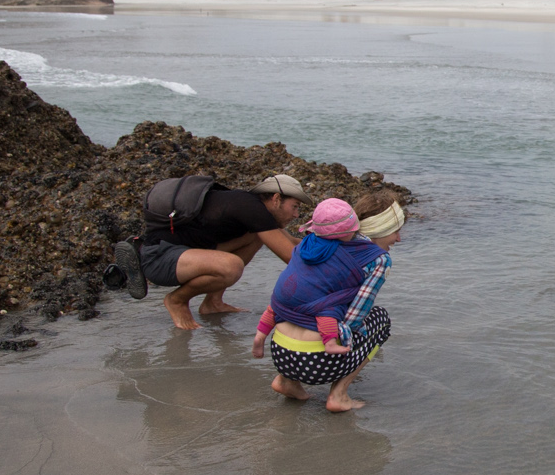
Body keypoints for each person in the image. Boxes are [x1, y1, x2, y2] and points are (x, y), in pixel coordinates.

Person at [252, 191, 406, 412]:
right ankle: (338, 394)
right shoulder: (379, 259)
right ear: (380, 229)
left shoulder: (314, 241)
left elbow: (299, 288)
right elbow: (354, 319)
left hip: (279, 352)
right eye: (396, 231)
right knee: (380, 320)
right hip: (319, 363)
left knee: (310, 304)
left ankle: (286, 381)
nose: (398, 239)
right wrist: (338, 334)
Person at [123, 173, 314, 331]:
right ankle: (177, 300)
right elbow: (292, 257)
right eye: (295, 206)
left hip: (184, 254)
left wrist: (335, 246)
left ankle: (213, 302)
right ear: (276, 199)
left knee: (256, 237)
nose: (296, 215)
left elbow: (291, 242)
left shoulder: (250, 209)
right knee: (231, 266)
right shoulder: (252, 210)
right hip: (160, 258)